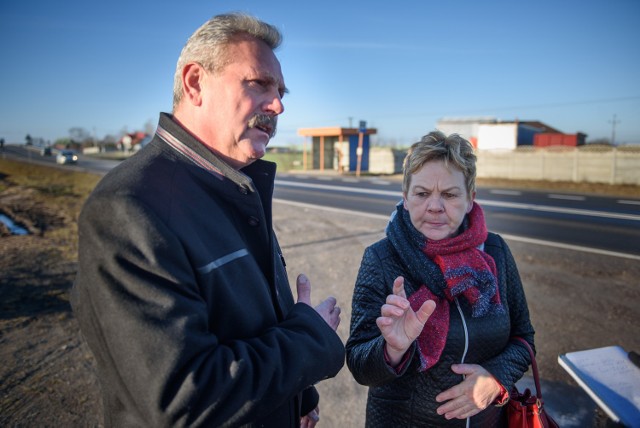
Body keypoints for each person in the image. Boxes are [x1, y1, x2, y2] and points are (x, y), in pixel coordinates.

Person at [71, 13, 345, 428]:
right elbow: (184, 397)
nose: (279, 105)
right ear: (195, 82)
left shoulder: (232, 186)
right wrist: (310, 341)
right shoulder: (128, 208)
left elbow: (249, 324)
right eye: (259, 84)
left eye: (281, 91)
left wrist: (297, 396)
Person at [346, 130, 535, 427]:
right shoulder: (381, 259)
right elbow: (359, 363)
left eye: (449, 194)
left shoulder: (496, 252)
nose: (435, 206)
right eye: (422, 194)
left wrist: (496, 378)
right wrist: (392, 349)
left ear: (470, 199)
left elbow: (524, 339)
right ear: (406, 199)